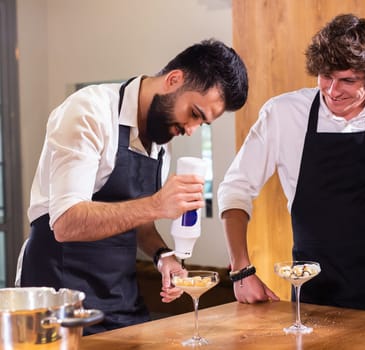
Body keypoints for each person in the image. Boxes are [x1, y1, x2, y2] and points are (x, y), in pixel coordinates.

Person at [218, 14, 365, 316]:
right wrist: (241, 270)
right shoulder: (284, 114)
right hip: (312, 291)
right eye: (326, 76)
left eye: (348, 80)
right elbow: (235, 187)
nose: (333, 91)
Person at [20, 39, 248, 334]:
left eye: (201, 124)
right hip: (60, 305)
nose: (190, 130)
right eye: (194, 113)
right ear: (174, 80)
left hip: (121, 303)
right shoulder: (89, 112)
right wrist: (157, 204)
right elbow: (66, 222)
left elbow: (137, 222)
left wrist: (163, 256)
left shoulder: (160, 144)